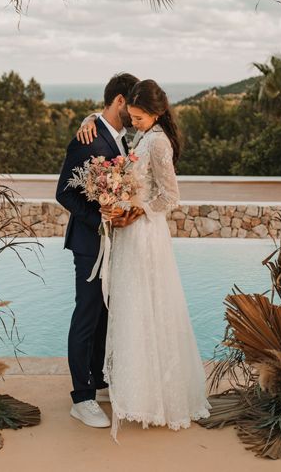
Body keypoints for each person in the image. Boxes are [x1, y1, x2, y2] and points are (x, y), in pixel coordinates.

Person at [92, 79, 210, 439]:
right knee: (131, 310)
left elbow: (170, 196)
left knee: (147, 307)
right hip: (129, 235)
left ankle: (157, 396)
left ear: (156, 114)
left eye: (140, 118)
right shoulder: (143, 136)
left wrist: (138, 210)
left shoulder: (157, 142)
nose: (134, 122)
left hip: (145, 236)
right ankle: (134, 388)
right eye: (132, 116)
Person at [55, 73, 143, 428]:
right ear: (120, 100)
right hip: (91, 244)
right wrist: (100, 218)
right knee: (87, 317)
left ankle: (98, 379)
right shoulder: (87, 139)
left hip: (114, 244)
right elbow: (64, 192)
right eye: (132, 105)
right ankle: (81, 397)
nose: (135, 112)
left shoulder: (118, 136)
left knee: (106, 315)